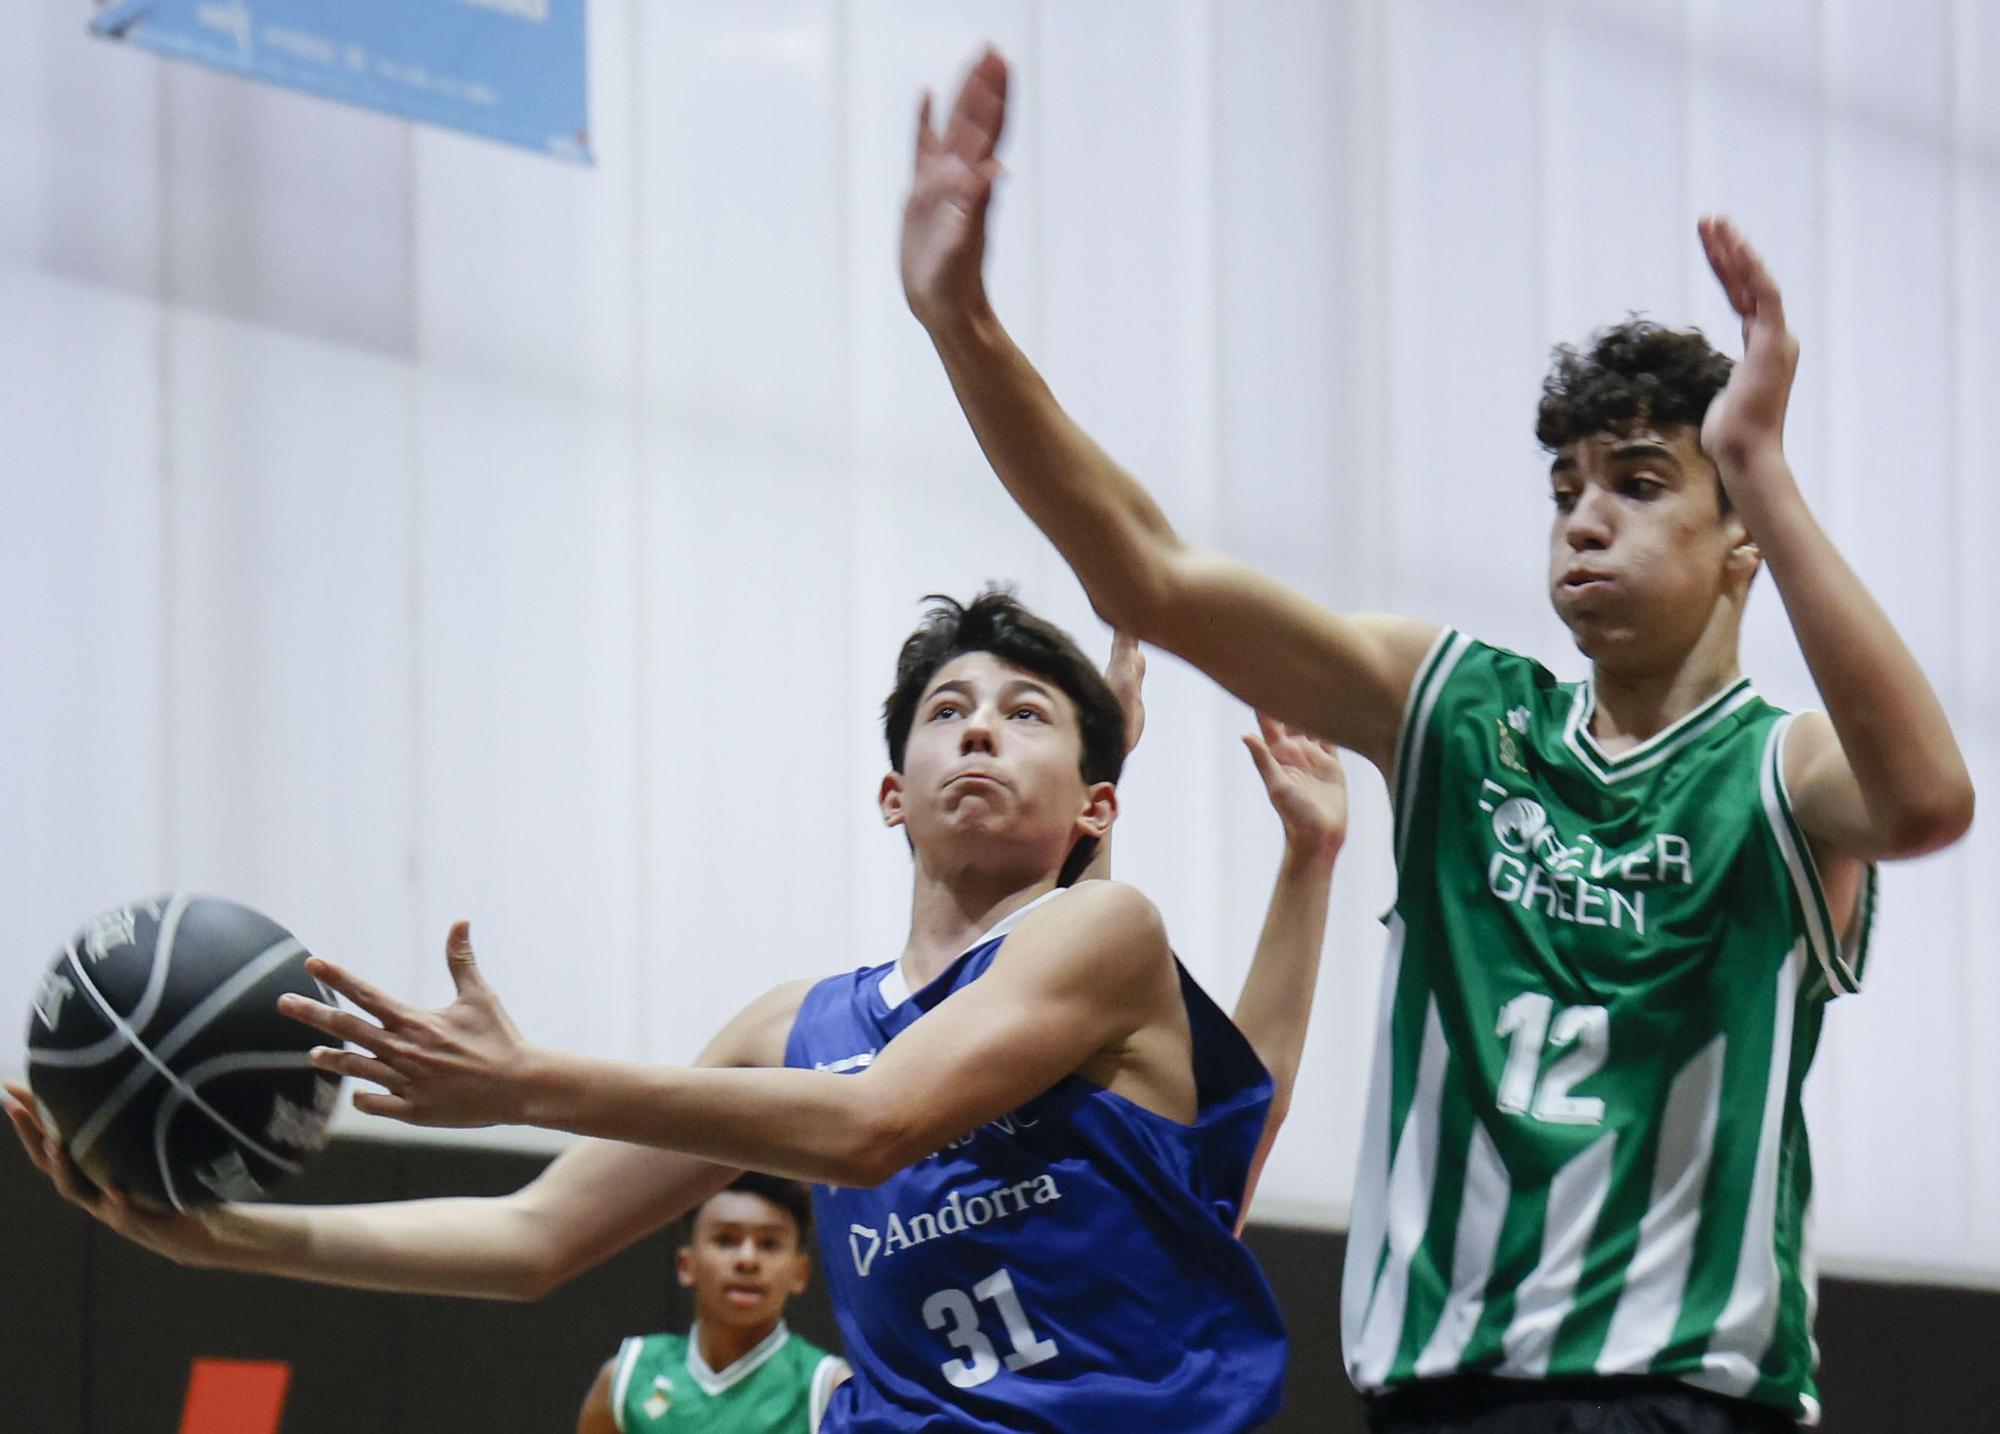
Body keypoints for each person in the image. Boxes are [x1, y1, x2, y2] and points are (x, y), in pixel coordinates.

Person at [897, 49, 1974, 1434]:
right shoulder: (1458, 707)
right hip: (1441, 1395)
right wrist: (958, 320)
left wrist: (1763, 459)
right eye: (1566, 487)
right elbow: (1150, 574)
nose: (1585, 517)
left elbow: (1932, 797)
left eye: (1641, 485)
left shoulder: (1784, 770)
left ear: (1739, 539)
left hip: (1683, 1400)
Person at [6, 592, 1350, 1434]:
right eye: (948, 711)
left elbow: (879, 1123)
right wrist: (216, 1241)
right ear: (893, 792)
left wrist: (532, 1079)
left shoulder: (1109, 931)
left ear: (1098, 802)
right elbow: (530, 1234)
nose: (981, 731)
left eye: (1029, 713)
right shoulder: (793, 1025)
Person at [575, 1172, 847, 1434]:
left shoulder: (827, 1388)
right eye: (726, 1240)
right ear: (686, 1264)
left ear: (800, 1273)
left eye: (769, 1244)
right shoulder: (628, 1377)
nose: (747, 1260)